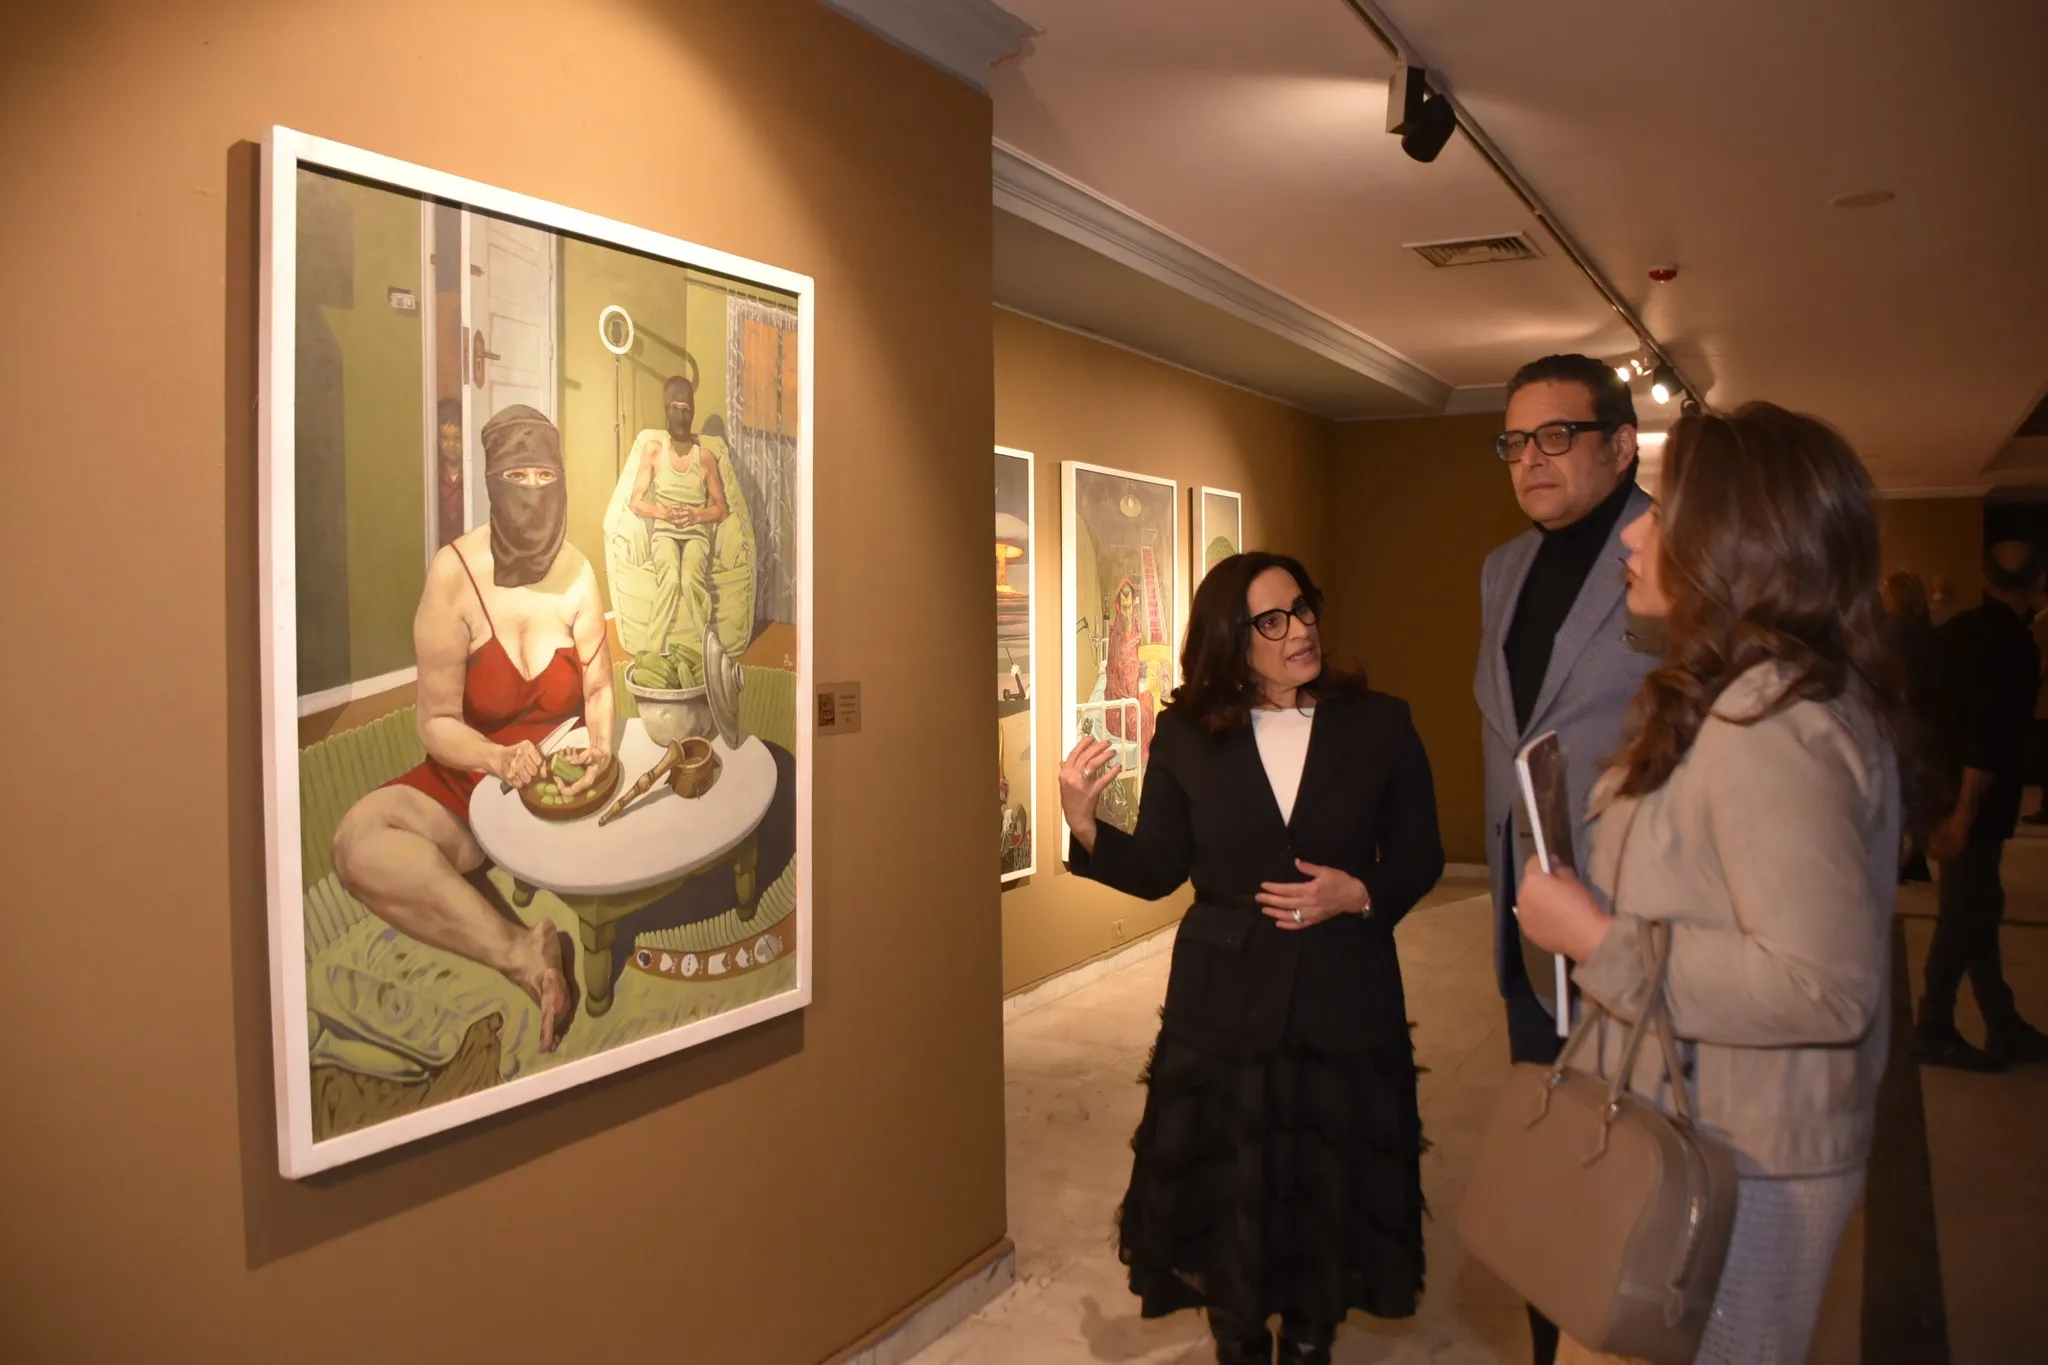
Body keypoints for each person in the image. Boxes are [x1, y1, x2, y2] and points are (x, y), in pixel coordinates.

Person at [1516, 402, 1920, 1365]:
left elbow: (1819, 983)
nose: (1636, 533)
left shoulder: (1771, 721)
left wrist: (1594, 938)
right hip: (1705, 1133)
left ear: (1738, 543)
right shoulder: (1755, 695)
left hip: (1742, 1164)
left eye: (1664, 513)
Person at [1060, 552, 1443, 1365]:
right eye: (1273, 619)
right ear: (1231, 639)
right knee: (1227, 1184)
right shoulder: (1188, 735)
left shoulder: (1380, 724)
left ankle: (1309, 1334)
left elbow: (1421, 855)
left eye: (1304, 608)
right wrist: (1087, 827)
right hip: (1223, 1004)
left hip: (1343, 996)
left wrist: (1360, 892)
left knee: (1325, 1184)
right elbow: (1161, 867)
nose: (1300, 629)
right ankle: (1237, 1335)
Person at [331, 405, 614, 1053]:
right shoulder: (453, 574)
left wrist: (599, 749)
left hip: (563, 789)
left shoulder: (578, 572)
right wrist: (497, 759)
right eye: (518, 476)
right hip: (474, 784)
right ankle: (522, 950)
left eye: (546, 476)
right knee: (357, 840)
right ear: (492, 482)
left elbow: (599, 689)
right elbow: (436, 723)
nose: (533, 492)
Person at [1476, 354, 1656, 1365]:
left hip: (1629, 930)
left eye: (1557, 435)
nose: (1530, 458)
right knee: (1546, 1175)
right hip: (1526, 930)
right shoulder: (1501, 569)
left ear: (1621, 444)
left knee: (1630, 1180)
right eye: (1514, 440)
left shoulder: (1669, 555)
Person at [1918, 541, 2048, 1069]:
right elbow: (1989, 738)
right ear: (2038, 581)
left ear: (1985, 577)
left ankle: (2001, 1020)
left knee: (1979, 907)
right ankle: (1934, 1026)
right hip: (1975, 802)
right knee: (1962, 913)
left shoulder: (1953, 635)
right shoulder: (2016, 646)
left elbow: (1924, 715)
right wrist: (1964, 815)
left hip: (1942, 791)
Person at [629, 374, 729, 655]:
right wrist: (664, 512)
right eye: (675, 408)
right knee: (671, 577)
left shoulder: (705, 457)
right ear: (666, 409)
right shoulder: (654, 451)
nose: (681, 416)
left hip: (696, 534)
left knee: (689, 579)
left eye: (686, 409)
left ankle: (709, 649)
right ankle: (651, 652)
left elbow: (721, 508)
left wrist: (696, 515)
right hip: (664, 533)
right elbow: (636, 502)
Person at [1881, 571, 1938, 880]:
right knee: (1916, 790)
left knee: (1896, 792)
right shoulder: (1926, 628)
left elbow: (1890, 676)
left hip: (1901, 718)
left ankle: (1895, 859)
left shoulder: (1896, 630)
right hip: (1926, 717)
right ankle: (1917, 856)